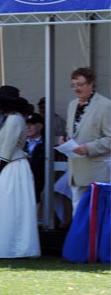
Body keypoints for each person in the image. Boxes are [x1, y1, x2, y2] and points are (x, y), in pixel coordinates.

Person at [0, 86, 40, 259]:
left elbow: (7, 148)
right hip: (13, 165)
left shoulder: (14, 120)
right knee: (11, 206)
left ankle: (12, 247)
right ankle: (12, 246)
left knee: (11, 206)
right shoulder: (12, 119)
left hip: (12, 166)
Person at [60, 66, 111, 212]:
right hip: (75, 171)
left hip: (96, 172)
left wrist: (88, 148)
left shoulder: (105, 105)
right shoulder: (72, 105)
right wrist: (65, 140)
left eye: (80, 85)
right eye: (74, 85)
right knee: (78, 215)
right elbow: (73, 132)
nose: (76, 89)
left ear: (91, 84)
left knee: (95, 215)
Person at [23, 113, 45, 203]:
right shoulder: (21, 143)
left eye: (31, 124)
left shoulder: (45, 144)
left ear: (40, 126)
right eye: (26, 124)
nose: (28, 127)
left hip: (38, 181)